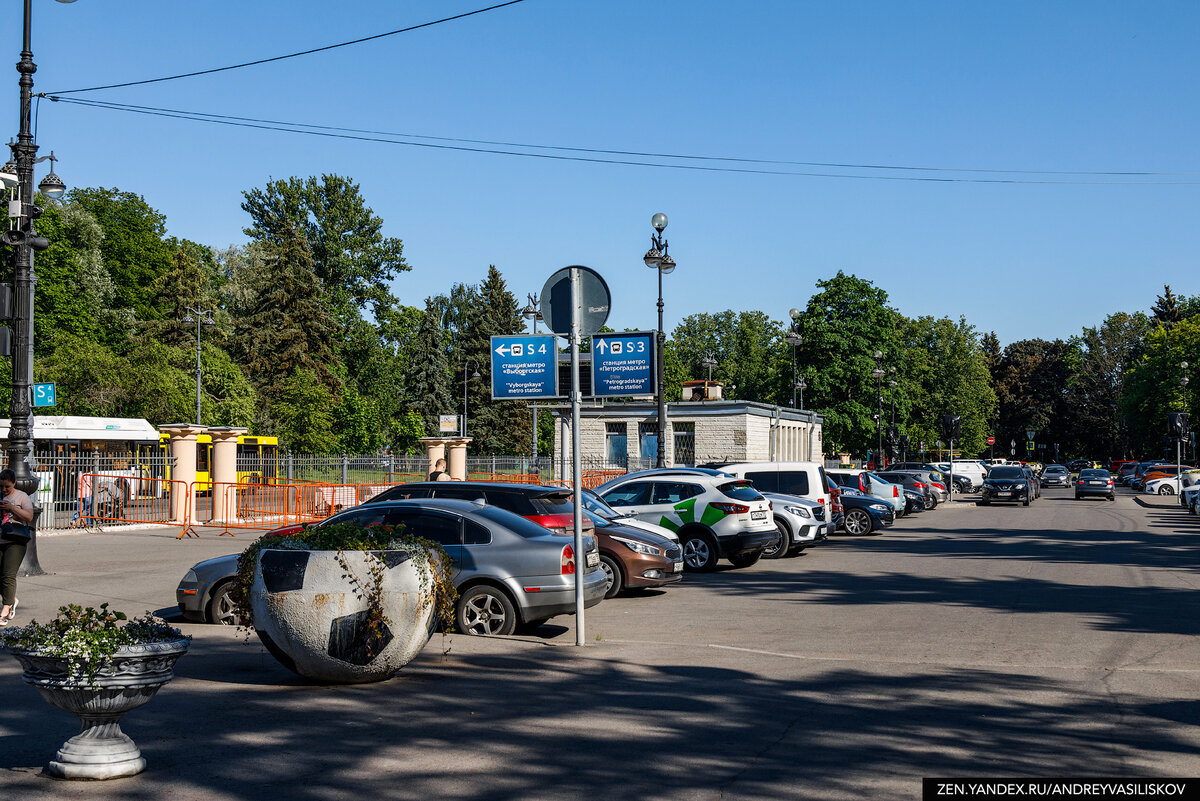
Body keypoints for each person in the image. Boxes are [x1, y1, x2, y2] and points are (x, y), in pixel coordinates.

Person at [0, 468, 35, 625]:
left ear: (14, 482)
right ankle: (11, 598)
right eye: (1, 486)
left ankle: (6, 609)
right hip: (1, 537)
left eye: (7, 486)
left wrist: (12, 508)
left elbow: (29, 516)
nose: (4, 490)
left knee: (8, 574)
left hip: (16, 539)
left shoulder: (22, 496)